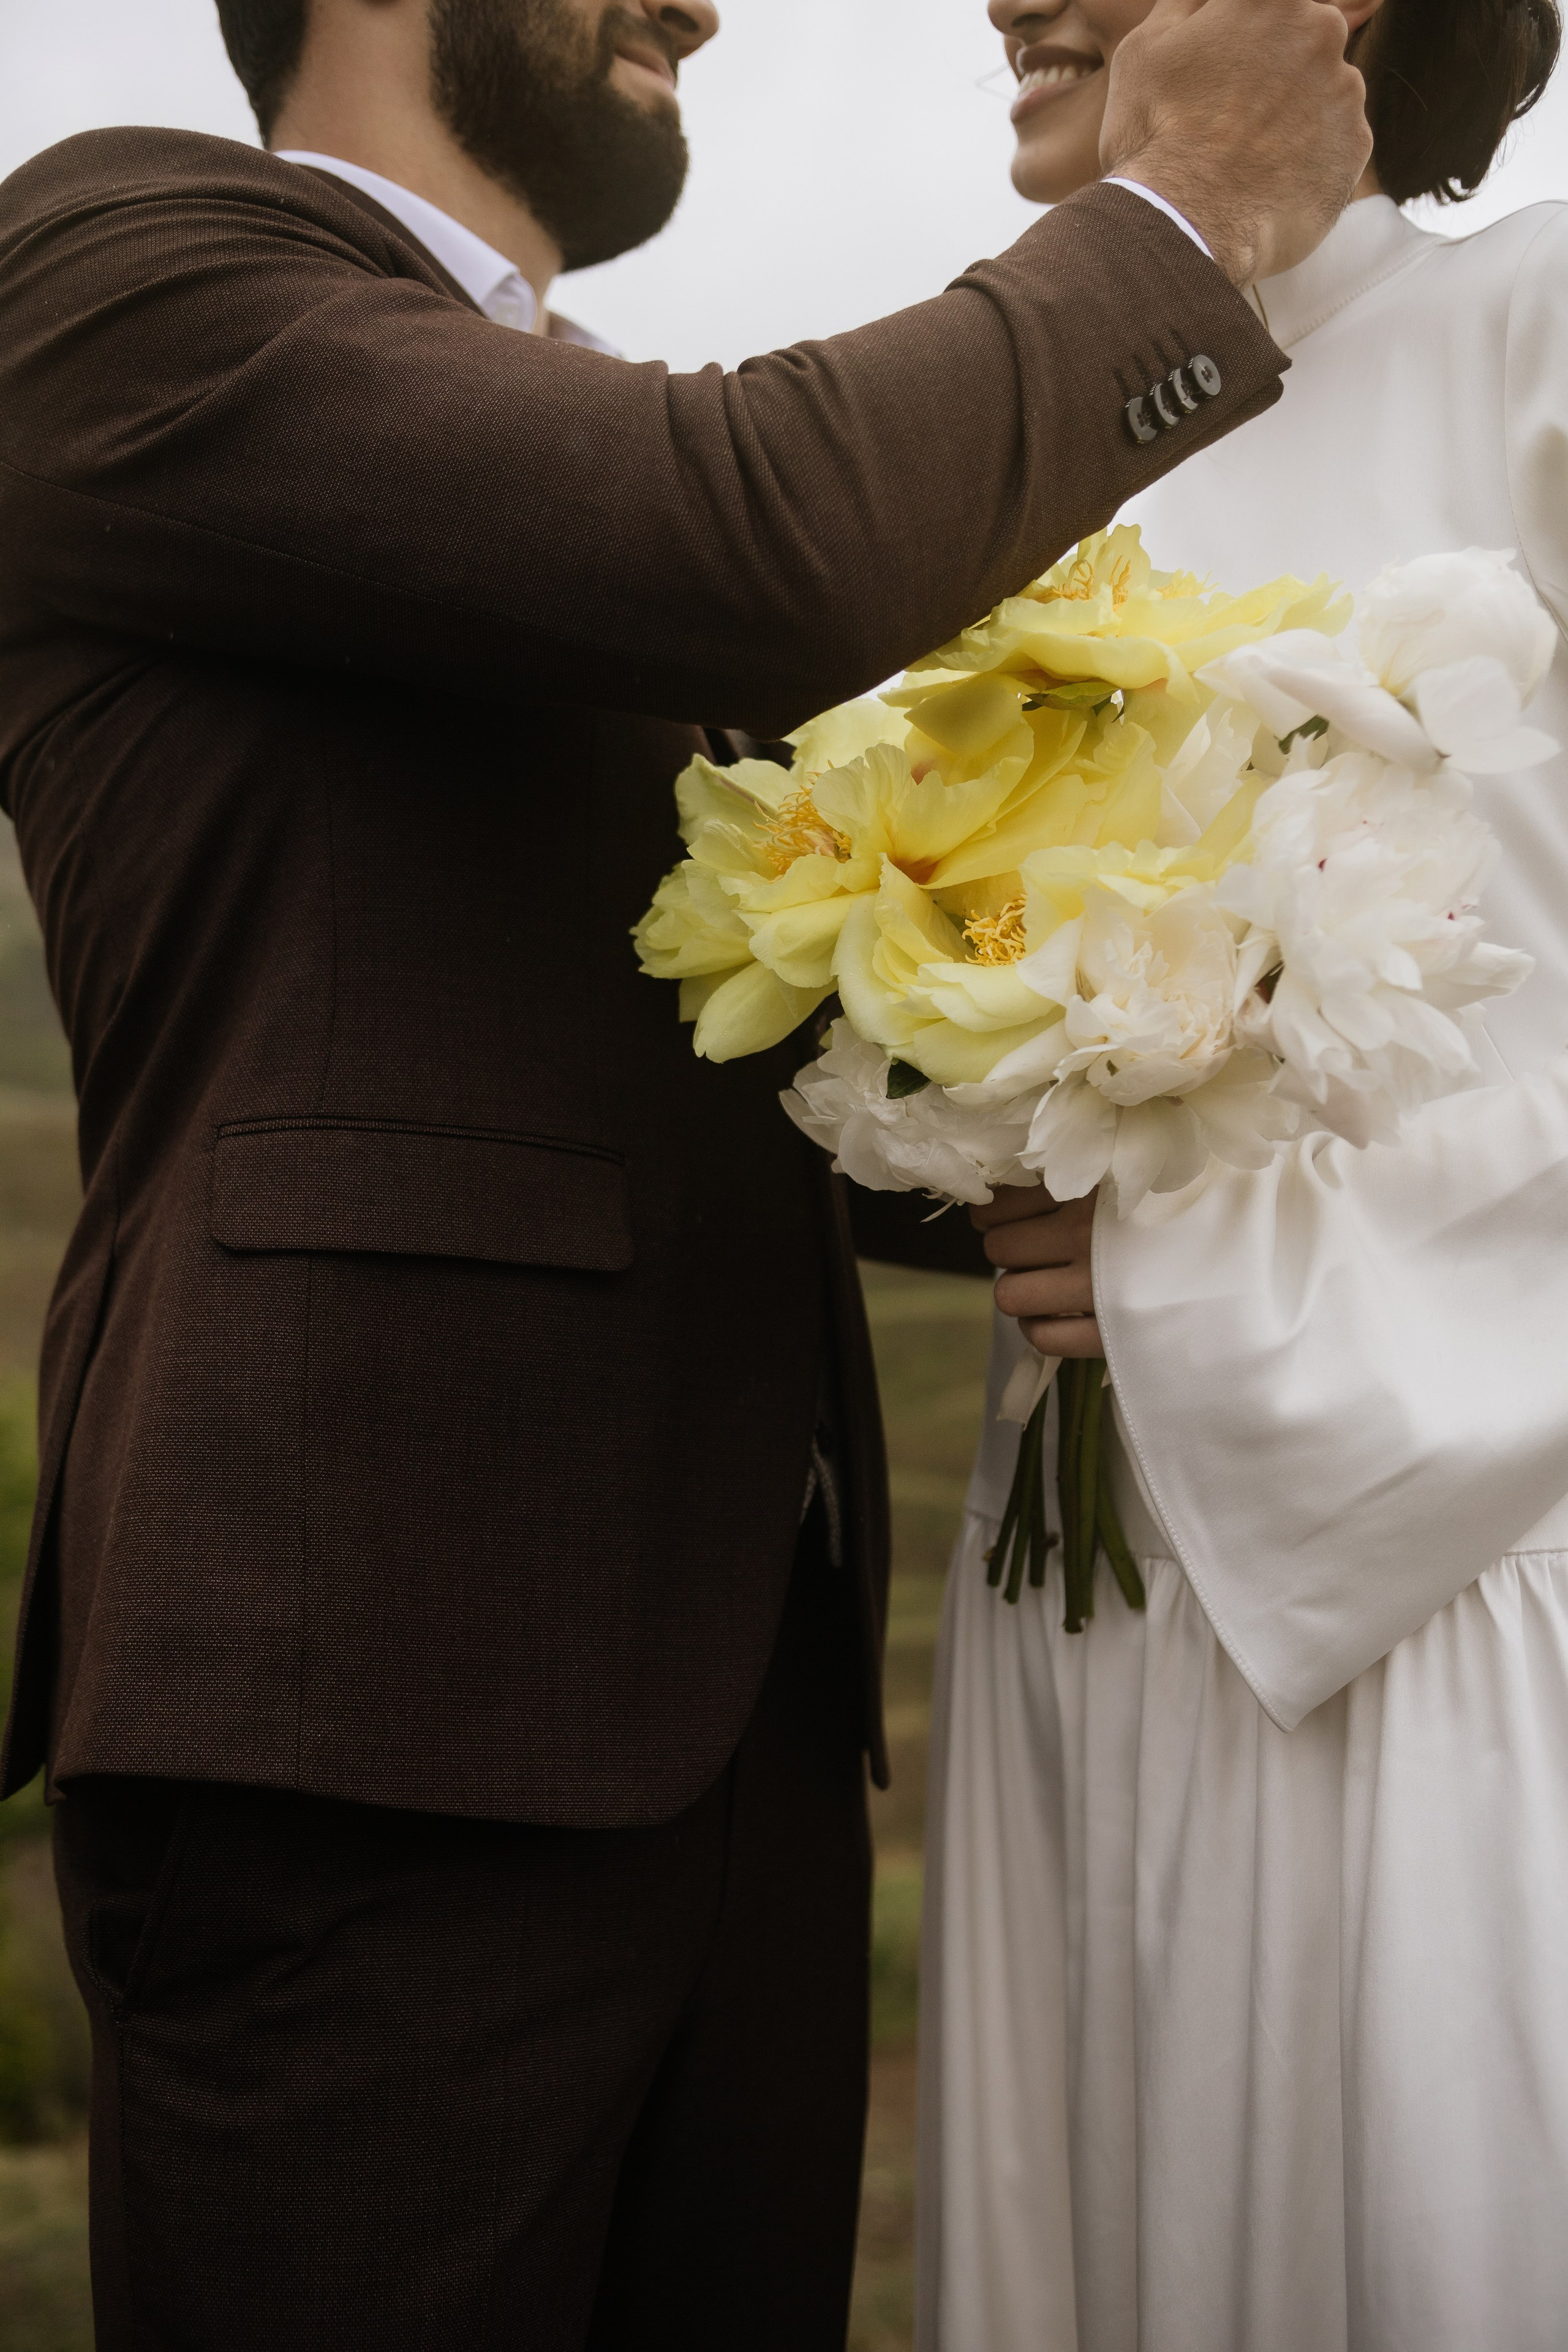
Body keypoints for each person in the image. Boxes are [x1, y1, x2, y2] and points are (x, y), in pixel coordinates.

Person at [0, 0, 1373, 2344]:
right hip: (370, 1708)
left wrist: (1086, 1139)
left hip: (730, 1711)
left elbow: (646, 1028)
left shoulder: (555, 422)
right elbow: (762, 538)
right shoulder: (112, 265)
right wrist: (1182, 221)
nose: (702, 5)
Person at [921, 1, 1568, 2346]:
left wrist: (1266, 1276)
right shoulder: (995, 441)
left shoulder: (1537, 324)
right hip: (1075, 1594)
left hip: (1448, 1592)